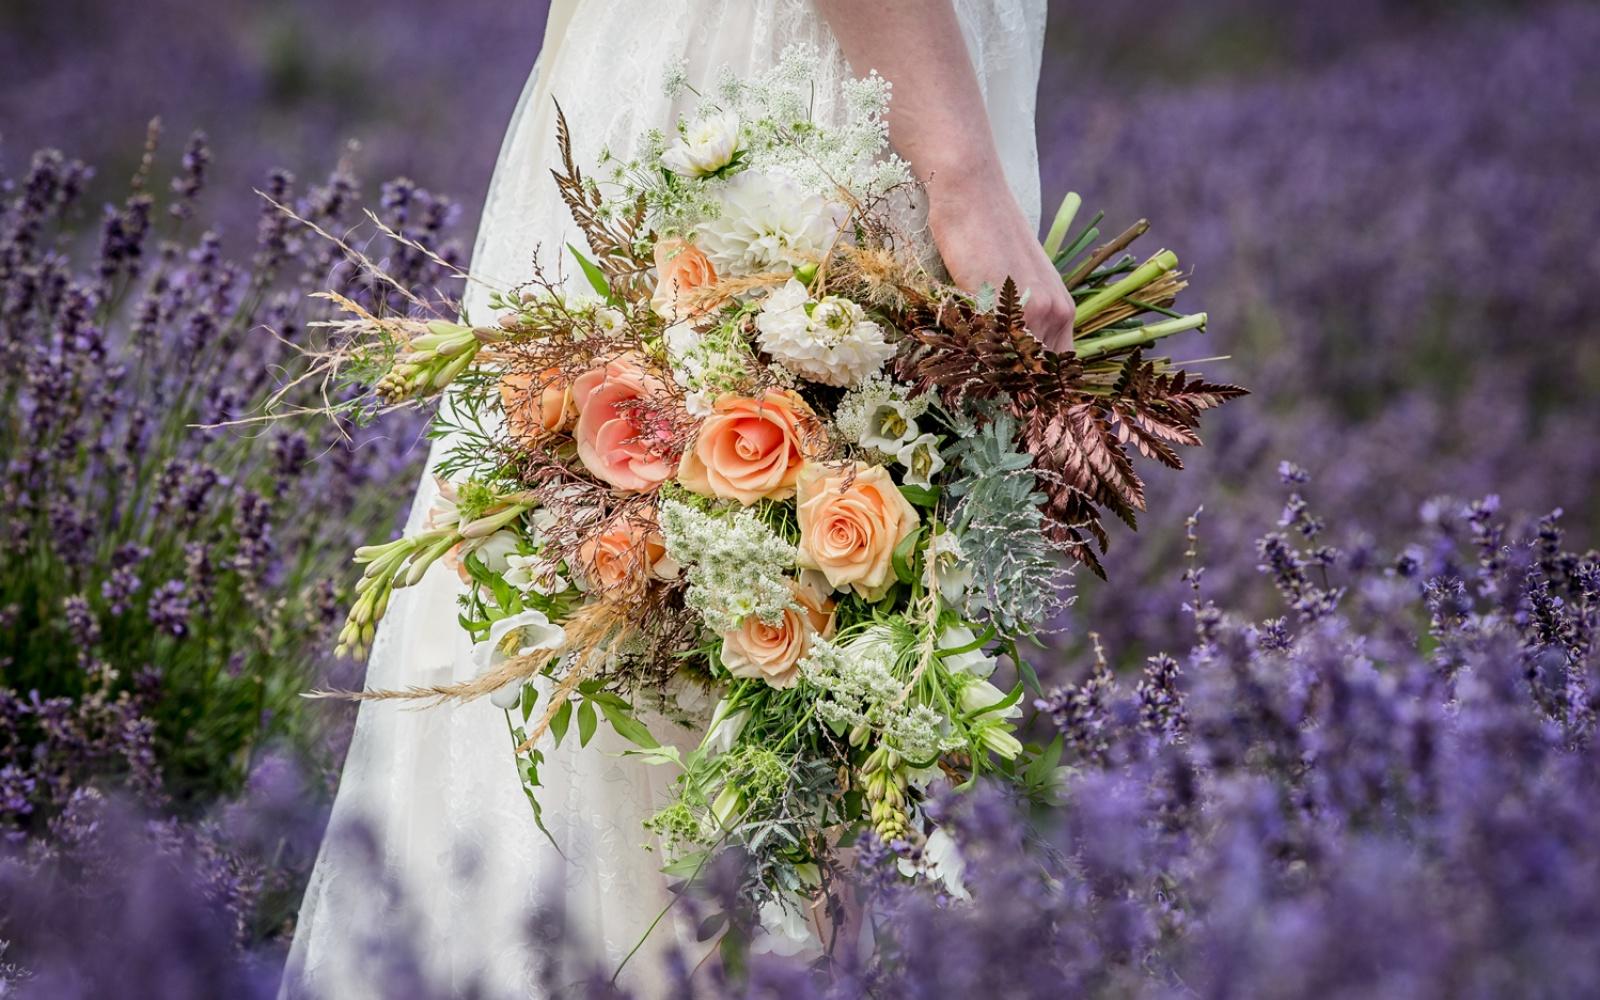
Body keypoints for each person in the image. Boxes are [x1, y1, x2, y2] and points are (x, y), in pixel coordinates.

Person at [284, 2, 1053, 995]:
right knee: (767, 693)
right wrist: (960, 174)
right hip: (807, 105)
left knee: (754, 680)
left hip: (772, 84)